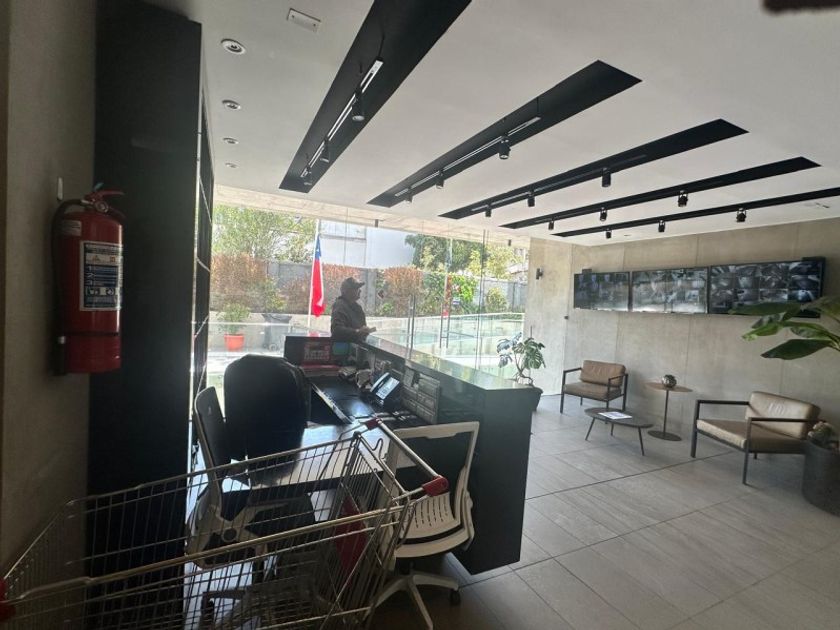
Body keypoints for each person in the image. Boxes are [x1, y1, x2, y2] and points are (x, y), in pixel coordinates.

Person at [331, 277, 376, 342]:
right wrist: (357, 332)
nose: (360, 291)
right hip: (344, 347)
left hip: (356, 346)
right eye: (356, 288)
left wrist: (364, 331)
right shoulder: (340, 305)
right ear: (347, 291)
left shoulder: (357, 307)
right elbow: (337, 330)